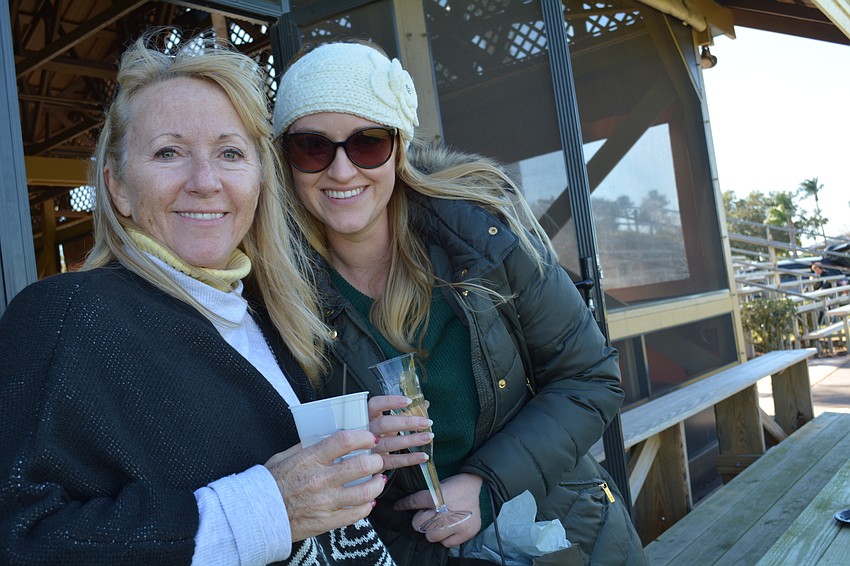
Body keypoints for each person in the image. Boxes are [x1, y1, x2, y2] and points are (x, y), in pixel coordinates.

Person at [0, 35, 397, 565]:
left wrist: (347, 446)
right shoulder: (65, 315)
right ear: (118, 187)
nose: (205, 182)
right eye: (169, 153)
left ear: (258, 181)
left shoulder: (263, 312)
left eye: (230, 153)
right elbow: (19, 537)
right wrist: (265, 508)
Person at [273, 40, 647, 565]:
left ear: (399, 148)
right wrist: (353, 445)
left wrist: (485, 484)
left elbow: (590, 378)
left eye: (368, 143)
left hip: (557, 529)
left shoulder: (484, 236)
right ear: (285, 159)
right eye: (312, 146)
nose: (340, 170)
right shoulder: (271, 291)